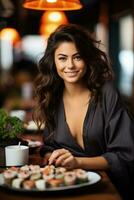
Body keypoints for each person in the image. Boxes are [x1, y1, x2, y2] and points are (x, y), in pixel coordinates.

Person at [33, 24, 134, 199]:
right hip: (68, 186)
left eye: (77, 57)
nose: (70, 65)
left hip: (108, 190)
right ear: (54, 61)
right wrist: (53, 156)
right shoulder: (52, 96)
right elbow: (49, 147)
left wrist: (77, 162)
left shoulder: (107, 93)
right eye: (62, 58)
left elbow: (124, 155)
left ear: (87, 59)